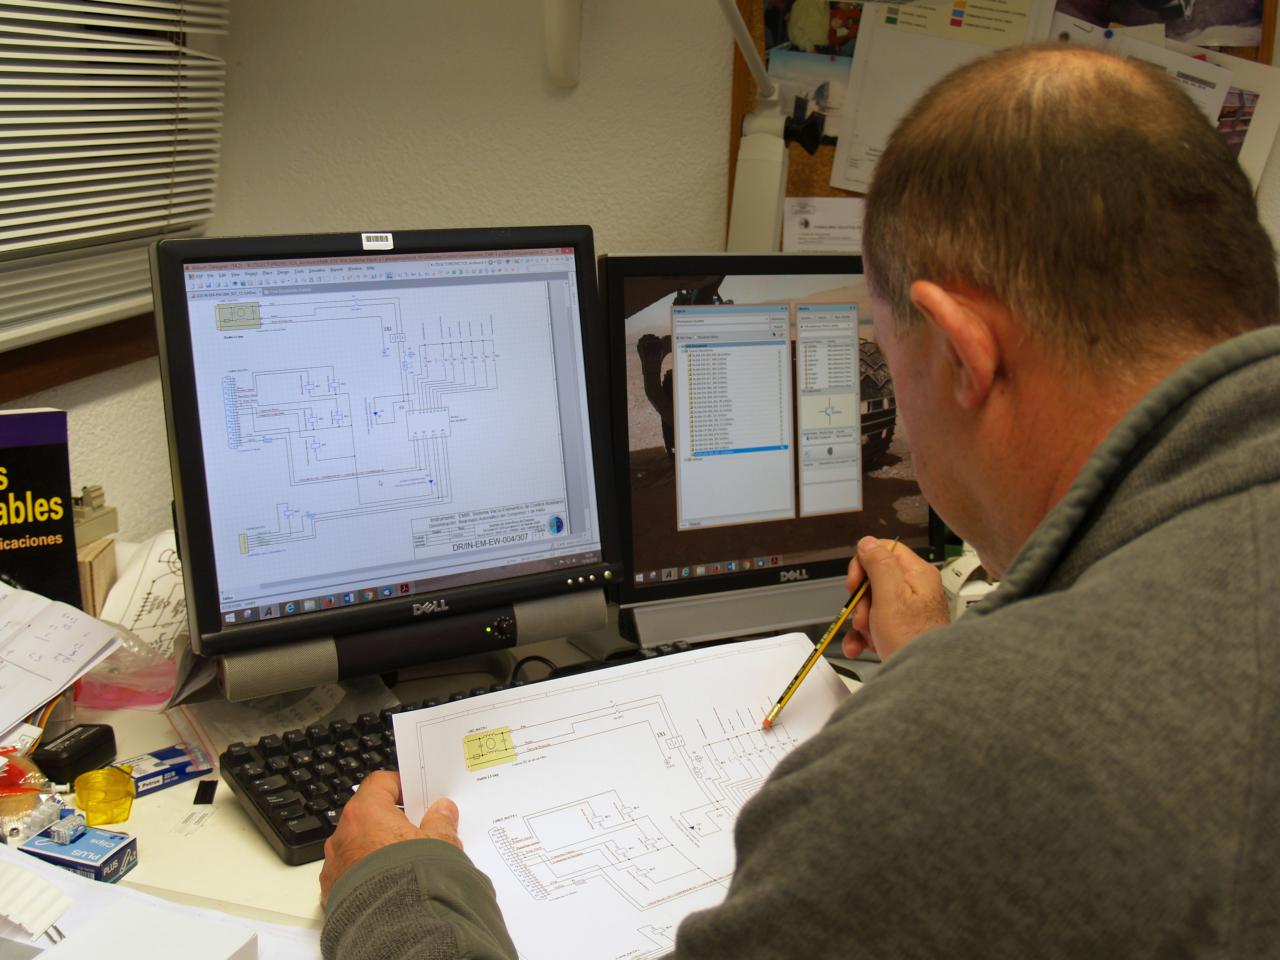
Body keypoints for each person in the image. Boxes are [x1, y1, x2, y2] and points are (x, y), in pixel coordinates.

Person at [318, 44, 1280, 959]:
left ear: (958, 352)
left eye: (892, 371)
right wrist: (946, 667)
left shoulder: (956, 757)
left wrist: (394, 898)